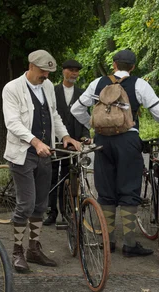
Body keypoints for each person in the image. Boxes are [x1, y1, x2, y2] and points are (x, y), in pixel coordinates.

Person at [71, 49, 159, 256]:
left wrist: (94, 125)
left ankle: (108, 241)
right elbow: (157, 111)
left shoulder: (97, 83)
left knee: (105, 191)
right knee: (129, 188)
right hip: (128, 140)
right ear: (132, 67)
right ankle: (130, 244)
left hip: (102, 141)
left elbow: (76, 109)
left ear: (114, 64)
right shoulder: (140, 84)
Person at [2, 50, 81, 273]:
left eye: (49, 71)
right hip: (23, 153)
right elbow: (12, 122)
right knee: (26, 204)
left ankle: (33, 249)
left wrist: (65, 136)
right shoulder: (12, 88)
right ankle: (17, 251)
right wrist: (35, 142)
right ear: (31, 66)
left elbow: (54, 115)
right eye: (42, 70)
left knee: (41, 205)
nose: (46, 75)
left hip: (46, 153)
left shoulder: (47, 87)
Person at [44, 59, 90, 226]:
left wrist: (85, 136)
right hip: (55, 141)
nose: (74, 73)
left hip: (74, 142)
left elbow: (86, 117)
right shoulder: (52, 91)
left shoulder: (82, 93)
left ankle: (67, 212)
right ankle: (51, 212)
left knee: (69, 178)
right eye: (71, 70)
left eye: (76, 71)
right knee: (51, 177)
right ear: (63, 71)